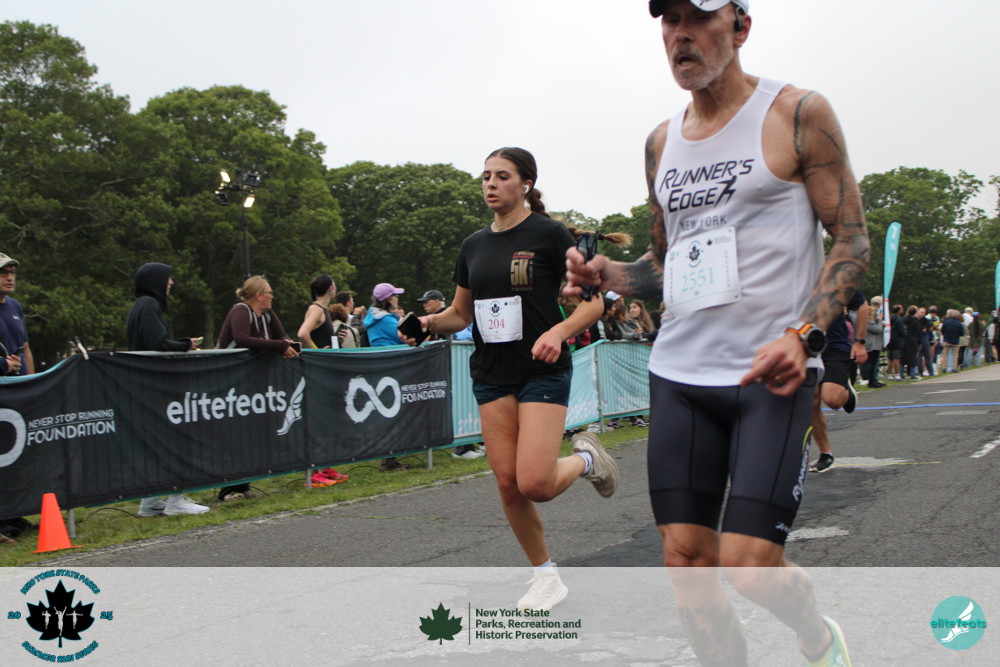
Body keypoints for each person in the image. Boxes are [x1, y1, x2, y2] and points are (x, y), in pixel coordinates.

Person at [565, 2, 868, 664]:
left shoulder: (797, 113)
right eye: (669, 18)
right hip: (681, 376)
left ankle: (819, 640)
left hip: (771, 373)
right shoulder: (661, 142)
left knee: (751, 566)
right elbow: (663, 264)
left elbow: (852, 239)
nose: (681, 33)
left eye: (698, 16)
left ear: (740, 26)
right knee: (687, 563)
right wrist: (609, 273)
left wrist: (804, 335)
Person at [406, 146, 612, 611]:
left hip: (541, 370)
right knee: (508, 485)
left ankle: (586, 459)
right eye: (486, 176)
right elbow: (460, 314)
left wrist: (558, 333)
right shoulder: (473, 246)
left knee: (536, 483)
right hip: (492, 374)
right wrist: (429, 323)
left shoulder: (549, 234)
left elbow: (594, 304)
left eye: (502, 176)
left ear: (526, 184)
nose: (491, 184)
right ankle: (545, 577)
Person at [126, 262, 210, 516]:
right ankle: (176, 499)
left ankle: (150, 501)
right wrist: (185, 345)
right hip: (154, 385)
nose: (171, 283)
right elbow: (158, 344)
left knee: (156, 442)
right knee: (174, 439)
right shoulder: (149, 305)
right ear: (156, 281)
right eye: (167, 278)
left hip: (144, 384)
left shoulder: (141, 305)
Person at [216, 276, 301, 500]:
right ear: (259, 295)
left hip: (254, 381)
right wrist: (278, 346)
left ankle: (242, 484)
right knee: (238, 432)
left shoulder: (268, 314)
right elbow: (242, 339)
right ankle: (229, 487)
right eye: (269, 293)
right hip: (231, 380)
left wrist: (287, 344)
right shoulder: (240, 311)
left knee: (254, 431)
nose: (272, 297)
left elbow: (280, 336)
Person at [295, 274, 350, 486]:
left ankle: (325, 466)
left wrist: (336, 341)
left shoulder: (323, 310)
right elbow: (303, 333)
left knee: (328, 419)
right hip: (316, 371)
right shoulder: (316, 309)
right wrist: (317, 352)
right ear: (330, 289)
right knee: (319, 420)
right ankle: (316, 472)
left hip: (325, 371)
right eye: (334, 285)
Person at [419, 288, 485, 459]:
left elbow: (464, 335)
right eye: (423, 303)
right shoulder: (429, 320)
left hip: (456, 368)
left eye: (427, 302)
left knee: (464, 403)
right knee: (458, 404)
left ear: (437, 301)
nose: (424, 305)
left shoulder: (451, 315)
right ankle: (464, 446)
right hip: (444, 369)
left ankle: (469, 444)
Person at [809, 293, 868, 474]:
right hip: (804, 347)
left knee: (832, 400)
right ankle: (825, 453)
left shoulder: (834, 280)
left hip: (834, 345)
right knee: (811, 401)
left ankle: (846, 391)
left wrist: (859, 342)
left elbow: (862, 306)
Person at [0, 252, 36, 541]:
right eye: (3, 273)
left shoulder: (15, 307)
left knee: (17, 457)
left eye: (12, 272)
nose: (10, 277)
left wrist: (34, 382)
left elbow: (25, 349)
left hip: (17, 393)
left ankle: (14, 515)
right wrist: (2, 365)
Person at [861, 295, 886, 388]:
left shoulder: (871, 321)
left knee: (874, 363)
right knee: (870, 363)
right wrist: (879, 320)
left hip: (874, 344)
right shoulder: (868, 321)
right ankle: (868, 379)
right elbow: (877, 329)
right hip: (871, 344)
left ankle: (873, 379)